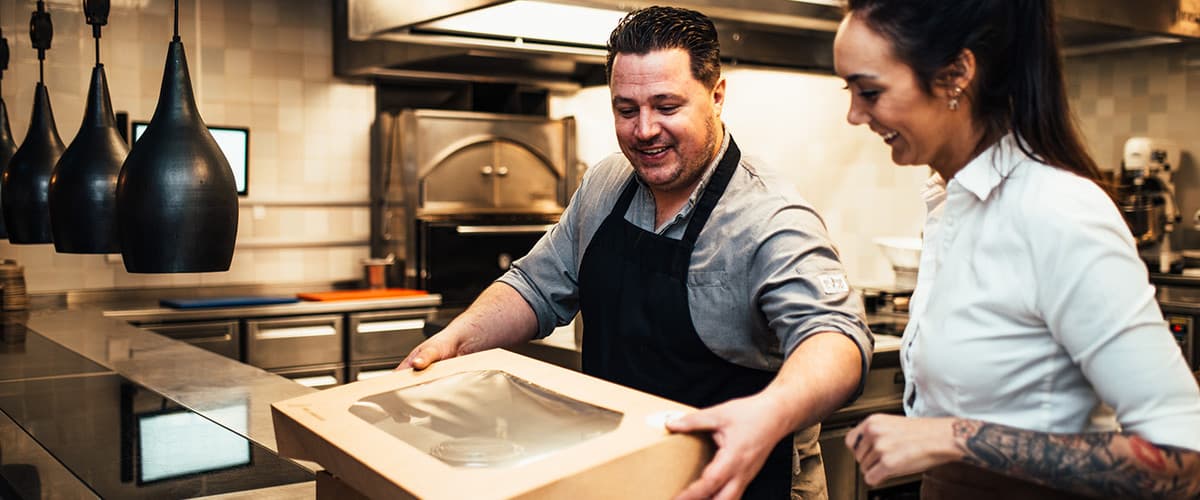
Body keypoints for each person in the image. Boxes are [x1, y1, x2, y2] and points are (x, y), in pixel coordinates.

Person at [400, 6, 872, 499]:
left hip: (735, 483)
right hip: (620, 476)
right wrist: (451, 344)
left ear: (717, 96)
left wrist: (768, 415)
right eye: (626, 110)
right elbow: (536, 286)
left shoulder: (768, 217)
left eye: (667, 107)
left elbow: (837, 339)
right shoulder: (606, 184)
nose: (644, 130)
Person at [833, 0, 1200, 498]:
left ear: (956, 74)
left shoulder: (1057, 211)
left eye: (869, 91)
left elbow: (1182, 458)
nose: (855, 115)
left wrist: (953, 436)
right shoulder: (950, 201)